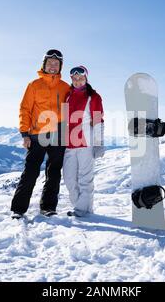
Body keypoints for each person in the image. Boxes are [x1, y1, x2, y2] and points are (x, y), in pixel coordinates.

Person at [11, 49, 70, 219]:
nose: (53, 66)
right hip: (37, 134)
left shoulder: (65, 87)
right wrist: (24, 133)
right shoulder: (34, 85)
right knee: (30, 171)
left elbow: (71, 109)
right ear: (44, 64)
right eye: (50, 63)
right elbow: (25, 109)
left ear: (60, 66)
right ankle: (18, 209)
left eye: (56, 63)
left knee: (53, 173)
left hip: (58, 135)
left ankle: (48, 207)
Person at [63, 66, 105, 217]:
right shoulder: (67, 96)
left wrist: (99, 143)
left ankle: (82, 210)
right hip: (69, 144)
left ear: (86, 78)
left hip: (86, 143)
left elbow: (98, 121)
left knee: (85, 179)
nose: (77, 81)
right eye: (74, 78)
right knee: (68, 179)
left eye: (81, 78)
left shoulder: (93, 97)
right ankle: (81, 207)